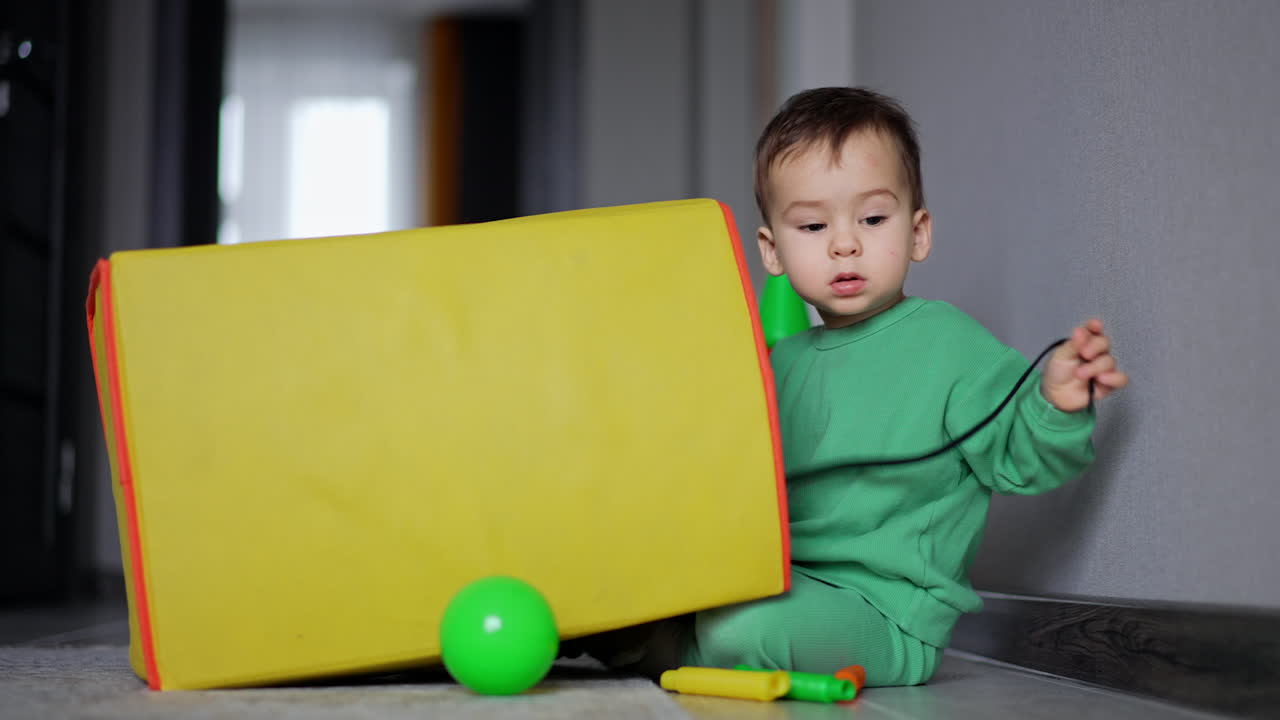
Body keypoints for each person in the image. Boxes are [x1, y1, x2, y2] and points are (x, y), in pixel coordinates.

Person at [570, 87, 1129, 687]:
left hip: (883, 616)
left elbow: (1022, 462)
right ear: (773, 250)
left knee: (744, 630)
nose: (844, 243)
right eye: (812, 224)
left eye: (872, 218)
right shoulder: (779, 364)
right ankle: (647, 635)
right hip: (777, 580)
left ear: (918, 233)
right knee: (619, 582)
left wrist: (1055, 402)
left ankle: (663, 647)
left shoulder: (949, 344)